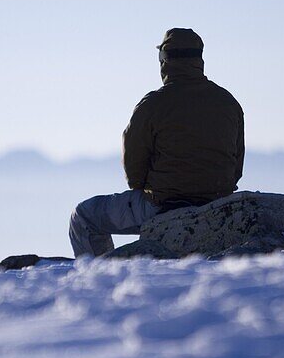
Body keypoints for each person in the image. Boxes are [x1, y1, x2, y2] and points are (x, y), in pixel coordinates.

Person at [69, 28, 245, 257]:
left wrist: (151, 188)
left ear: (165, 61)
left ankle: (101, 278)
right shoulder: (228, 103)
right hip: (217, 204)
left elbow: (134, 168)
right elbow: (236, 166)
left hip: (162, 205)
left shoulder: (153, 104)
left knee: (83, 216)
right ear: (199, 60)